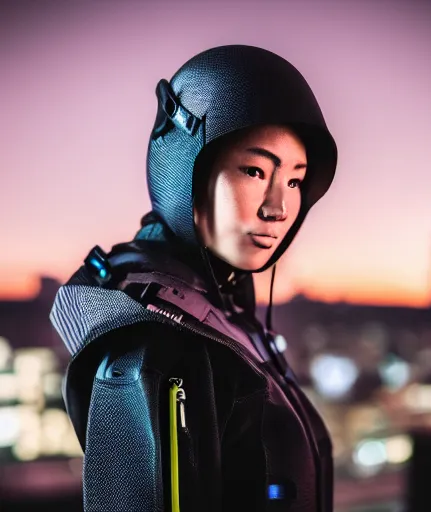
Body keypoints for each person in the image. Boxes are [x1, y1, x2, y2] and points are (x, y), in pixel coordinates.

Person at [51, 45, 338, 512]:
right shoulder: (153, 342)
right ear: (185, 168)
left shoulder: (222, 308)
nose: (278, 208)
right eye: (254, 170)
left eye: (294, 181)